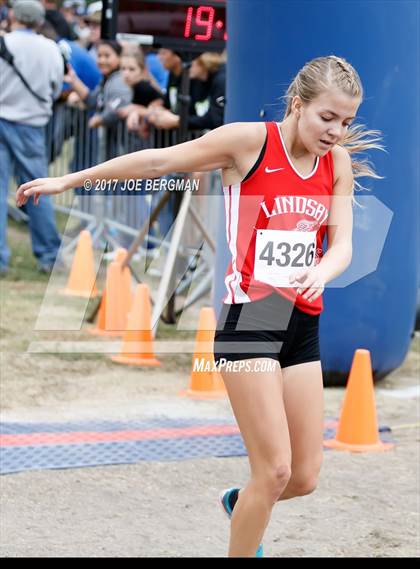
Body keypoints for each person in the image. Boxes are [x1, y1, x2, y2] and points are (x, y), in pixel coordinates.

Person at [15, 55, 384, 556]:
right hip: (251, 317)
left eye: (346, 121)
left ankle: (239, 501)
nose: (337, 132)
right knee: (273, 470)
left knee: (302, 478)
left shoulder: (335, 163)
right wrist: (68, 181)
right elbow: (157, 162)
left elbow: (341, 245)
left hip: (304, 320)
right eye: (327, 118)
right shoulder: (248, 144)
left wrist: (322, 270)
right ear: (298, 105)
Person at [0, 0, 64, 275]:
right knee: (38, 190)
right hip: (32, 125)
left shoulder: (4, 42)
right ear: (39, 20)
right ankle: (49, 256)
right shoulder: (51, 48)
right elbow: (56, 86)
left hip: (2, 118)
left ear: (14, 16)